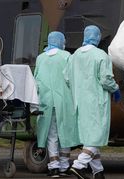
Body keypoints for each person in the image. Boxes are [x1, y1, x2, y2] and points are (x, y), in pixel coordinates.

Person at [64, 25, 120, 179]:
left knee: (89, 137)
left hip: (79, 102)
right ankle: (79, 165)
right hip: (96, 103)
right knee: (96, 136)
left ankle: (98, 171)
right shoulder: (101, 55)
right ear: (98, 37)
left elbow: (67, 78)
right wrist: (115, 89)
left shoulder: (73, 56)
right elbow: (106, 79)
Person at [35, 32, 79, 178]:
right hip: (64, 101)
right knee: (65, 133)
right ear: (61, 41)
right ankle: (64, 166)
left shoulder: (40, 58)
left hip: (46, 102)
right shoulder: (67, 56)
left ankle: (53, 166)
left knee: (51, 134)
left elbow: (36, 79)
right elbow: (72, 79)